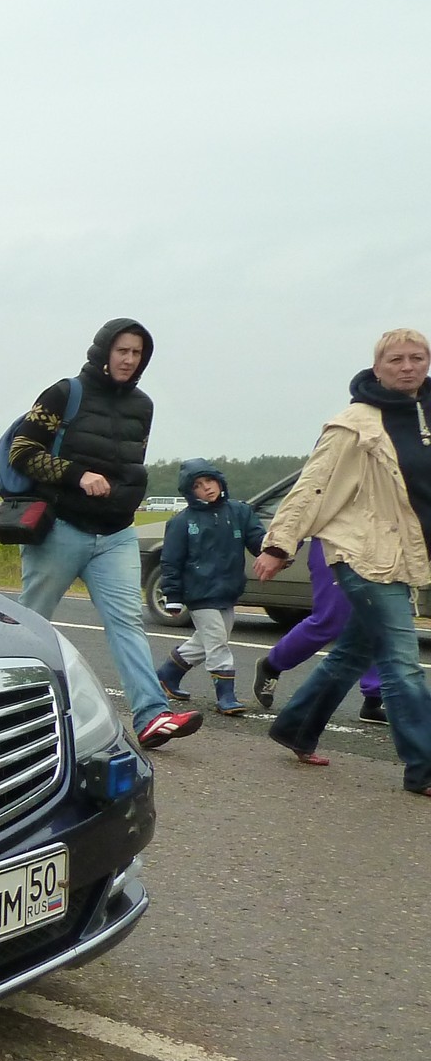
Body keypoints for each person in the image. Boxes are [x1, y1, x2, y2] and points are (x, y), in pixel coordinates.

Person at [255, 328, 431, 792]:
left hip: (407, 555)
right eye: (396, 359)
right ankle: (424, 767)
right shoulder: (354, 424)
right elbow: (313, 485)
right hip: (362, 553)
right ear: (377, 367)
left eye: (418, 358)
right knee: (401, 660)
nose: (408, 366)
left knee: (355, 651)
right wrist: (279, 544)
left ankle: (294, 727)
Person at [10, 319, 199, 749]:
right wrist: (77, 475)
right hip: (61, 528)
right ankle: (6, 704)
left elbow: (132, 464)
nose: (129, 360)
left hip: (115, 533)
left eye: (137, 353)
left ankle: (152, 716)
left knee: (128, 622)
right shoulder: (64, 393)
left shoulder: (143, 406)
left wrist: (132, 492)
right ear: (103, 351)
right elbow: (22, 452)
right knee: (31, 623)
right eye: (122, 351)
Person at [153, 462, 265, 715]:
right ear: (189, 492)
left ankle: (166, 676)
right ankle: (225, 696)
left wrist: (276, 551)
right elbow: (171, 561)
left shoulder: (239, 512)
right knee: (217, 644)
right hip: (199, 593)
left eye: (209, 482)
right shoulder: (182, 522)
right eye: (198, 486)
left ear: (219, 481)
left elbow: (258, 540)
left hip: (228, 590)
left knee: (208, 640)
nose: (207, 489)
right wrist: (172, 596)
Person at [250, 539, 384, 722]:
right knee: (330, 620)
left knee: (378, 620)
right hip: (335, 544)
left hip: (380, 547)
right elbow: (300, 510)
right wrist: (278, 549)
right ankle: (272, 665)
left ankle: (375, 699)